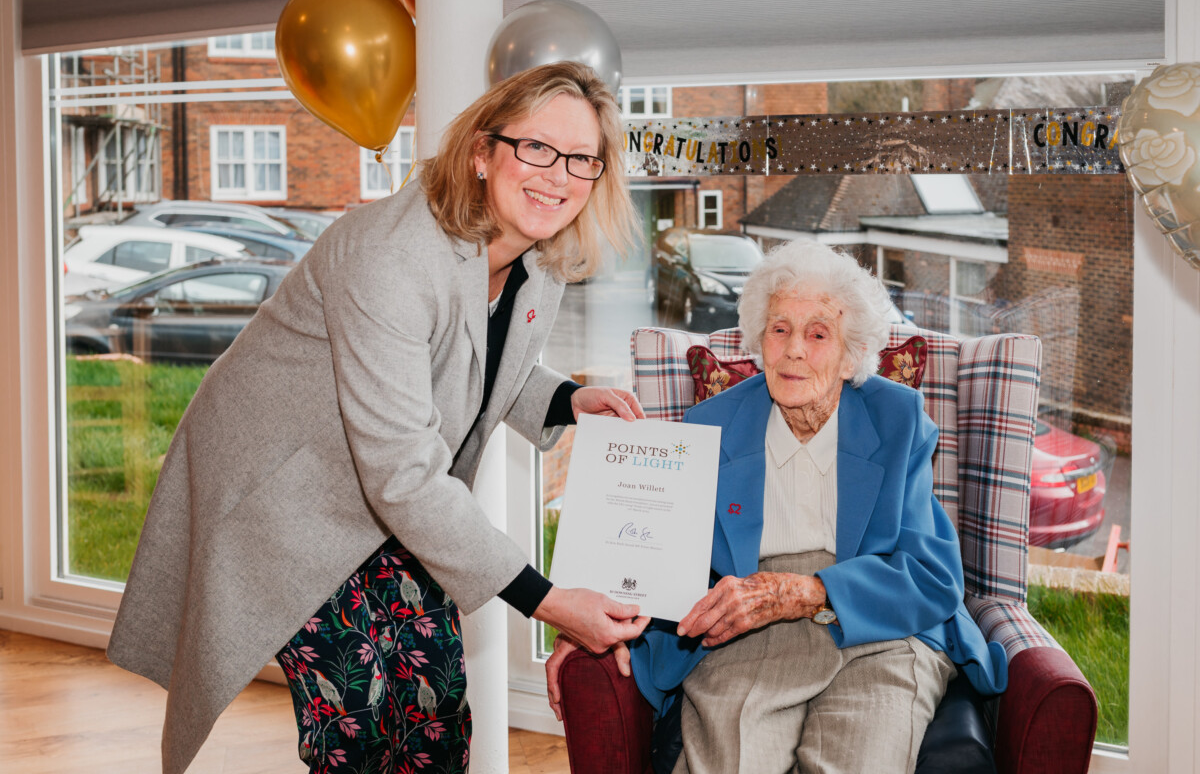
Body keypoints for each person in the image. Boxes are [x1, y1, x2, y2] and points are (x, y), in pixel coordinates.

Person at [107, 61, 651, 774]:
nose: (558, 174)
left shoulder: (538, 257)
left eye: (582, 158)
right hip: (288, 490)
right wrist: (546, 601)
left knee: (434, 706)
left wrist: (565, 398)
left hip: (389, 489)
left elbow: (470, 361)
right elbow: (403, 473)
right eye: (537, 147)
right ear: (482, 153)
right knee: (357, 722)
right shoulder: (390, 253)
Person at [546, 241, 1008, 774]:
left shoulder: (897, 420)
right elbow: (654, 555)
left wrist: (808, 592)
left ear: (851, 352)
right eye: (780, 329)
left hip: (879, 628)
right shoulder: (709, 428)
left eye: (818, 334)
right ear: (759, 340)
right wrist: (585, 622)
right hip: (747, 632)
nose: (793, 351)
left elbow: (931, 575)